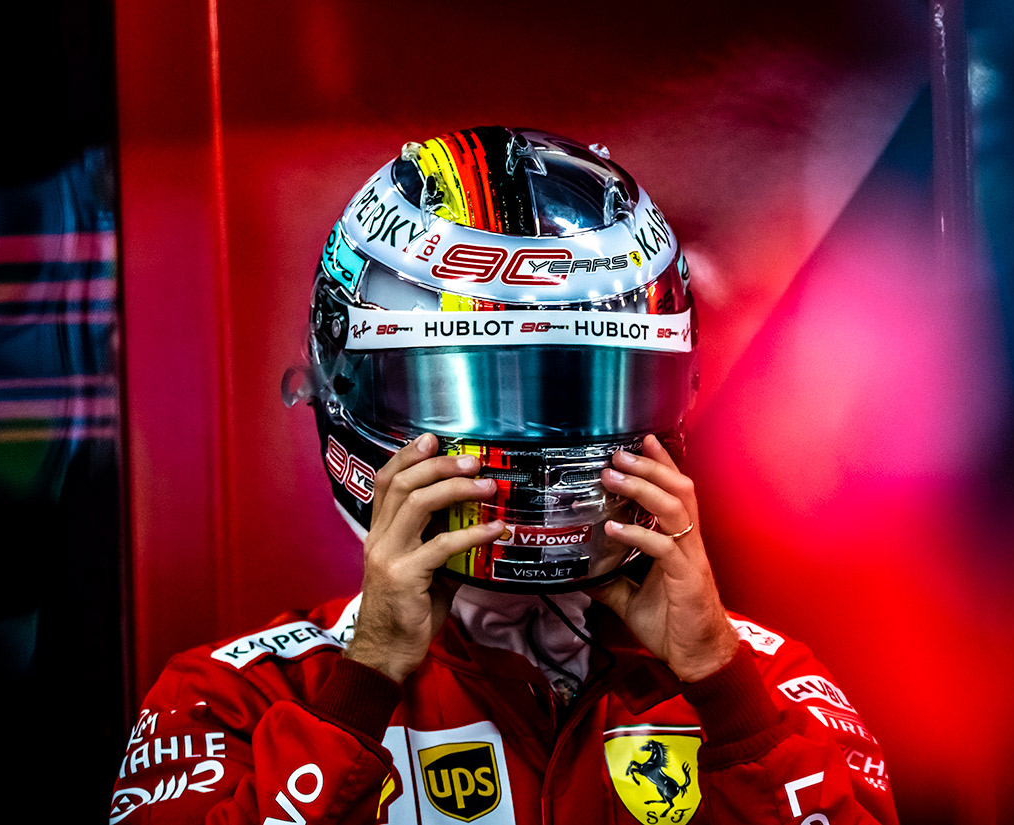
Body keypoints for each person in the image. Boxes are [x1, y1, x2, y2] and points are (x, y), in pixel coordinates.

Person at [108, 127, 898, 824]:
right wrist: (361, 690)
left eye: (582, 392)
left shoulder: (771, 687)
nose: (533, 446)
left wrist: (724, 695)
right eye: (468, 393)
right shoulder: (233, 699)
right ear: (342, 387)